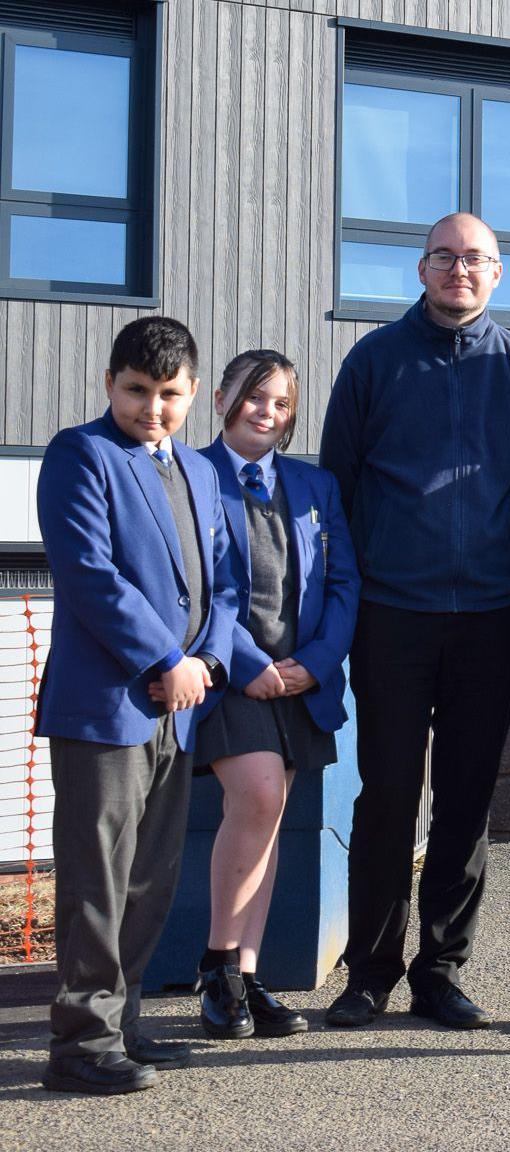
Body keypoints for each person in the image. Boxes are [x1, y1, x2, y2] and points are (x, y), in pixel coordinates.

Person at [318, 212, 510, 1030]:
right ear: (421, 270)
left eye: (476, 259)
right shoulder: (373, 361)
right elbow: (336, 492)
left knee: (464, 800)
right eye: (446, 258)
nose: (460, 271)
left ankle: (441, 969)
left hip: (490, 618)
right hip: (391, 614)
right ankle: (370, 972)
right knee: (386, 794)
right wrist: (340, 612)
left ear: (498, 275)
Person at [35, 317, 238, 1094]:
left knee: (152, 875)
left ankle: (121, 1024)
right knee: (98, 875)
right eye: (137, 392)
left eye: (170, 394)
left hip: (180, 706)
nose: (153, 408)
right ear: (110, 384)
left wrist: (206, 662)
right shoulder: (81, 454)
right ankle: (80, 1043)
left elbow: (222, 582)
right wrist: (165, 660)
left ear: (194, 393)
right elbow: (88, 574)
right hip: (106, 707)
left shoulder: (201, 471)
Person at [191, 350, 359, 1041]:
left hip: (299, 684)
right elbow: (195, 586)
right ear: (223, 397)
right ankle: (216, 966)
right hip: (230, 679)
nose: (268, 411)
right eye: (255, 396)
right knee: (257, 799)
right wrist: (250, 663)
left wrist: (313, 664)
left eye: (282, 403)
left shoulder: (315, 486)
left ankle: (247, 977)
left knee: (270, 815)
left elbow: (345, 583)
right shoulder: (192, 477)